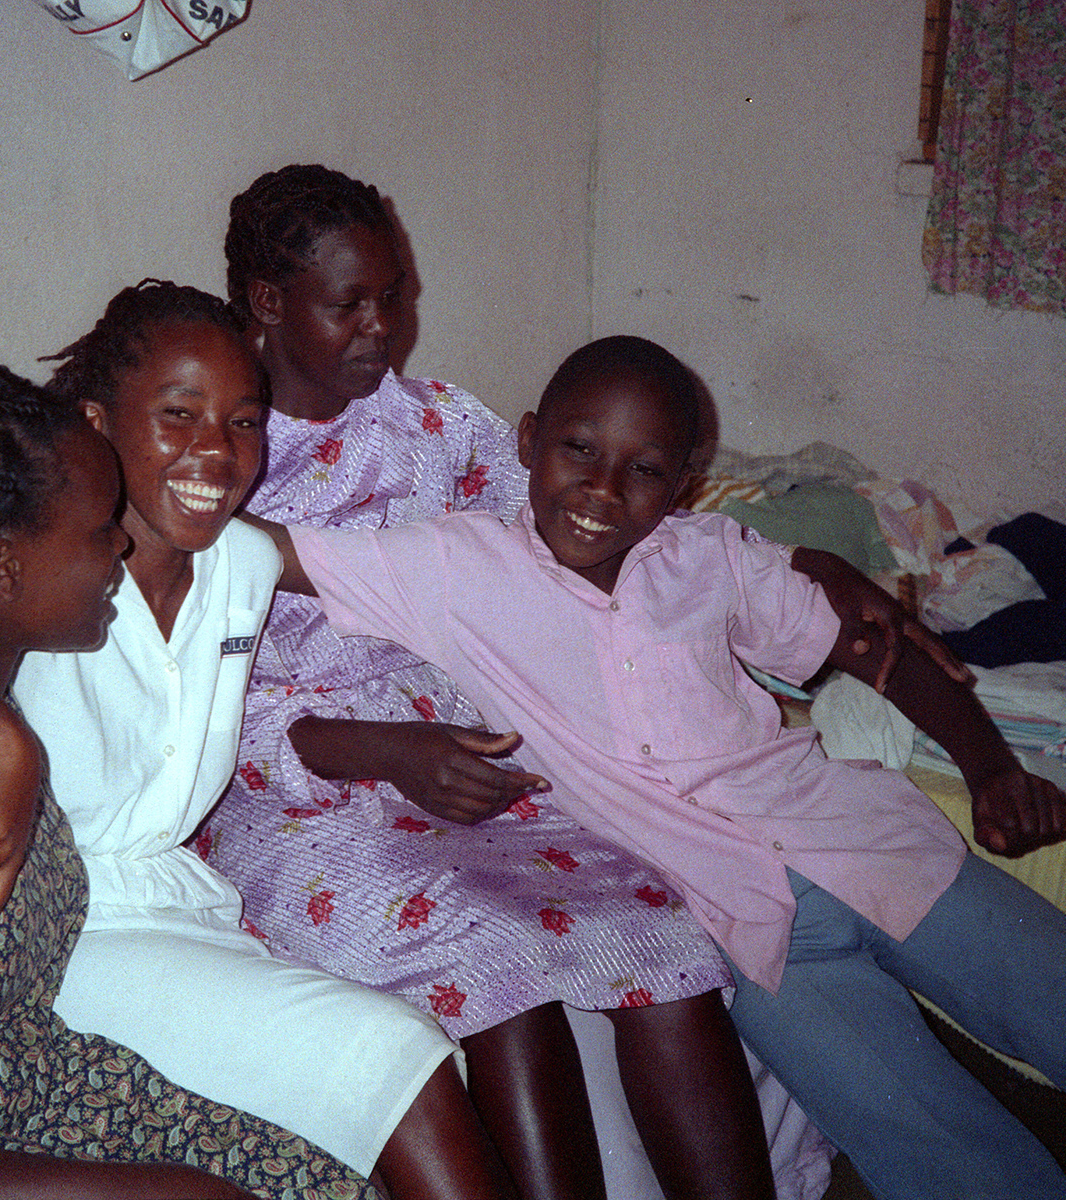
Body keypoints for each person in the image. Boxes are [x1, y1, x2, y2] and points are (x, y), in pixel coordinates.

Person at [257, 334, 1066, 1200]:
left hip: (870, 844)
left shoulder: (711, 557)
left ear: (681, 482)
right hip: (754, 939)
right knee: (932, 1148)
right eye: (579, 450)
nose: (603, 490)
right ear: (528, 443)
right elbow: (272, 553)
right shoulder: (457, 567)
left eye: (643, 470)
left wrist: (991, 772)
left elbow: (881, 648)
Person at [0, 284, 519, 1200]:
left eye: (246, 421)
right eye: (179, 416)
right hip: (66, 964)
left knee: (335, 1157)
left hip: (127, 954)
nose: (217, 450)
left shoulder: (237, 566)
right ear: (98, 426)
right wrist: (3, 744)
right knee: (391, 1064)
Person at [209, 163, 776, 1200]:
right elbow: (198, 698)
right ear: (268, 303)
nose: (383, 327)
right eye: (351, 305)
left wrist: (757, 568)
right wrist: (387, 753)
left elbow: (579, 519)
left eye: (395, 296)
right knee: (495, 958)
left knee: (663, 923)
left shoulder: (436, 427)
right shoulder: (226, 463)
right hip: (305, 797)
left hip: (472, 766)